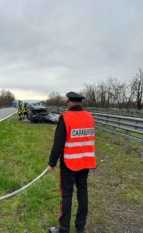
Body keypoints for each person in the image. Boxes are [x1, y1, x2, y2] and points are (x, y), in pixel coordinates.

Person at [48, 92, 96, 233]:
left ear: (69, 103)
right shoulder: (89, 116)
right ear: (82, 103)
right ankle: (80, 228)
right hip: (86, 162)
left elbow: (58, 143)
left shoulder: (66, 118)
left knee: (67, 195)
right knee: (83, 194)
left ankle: (64, 229)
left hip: (69, 163)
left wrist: (52, 163)